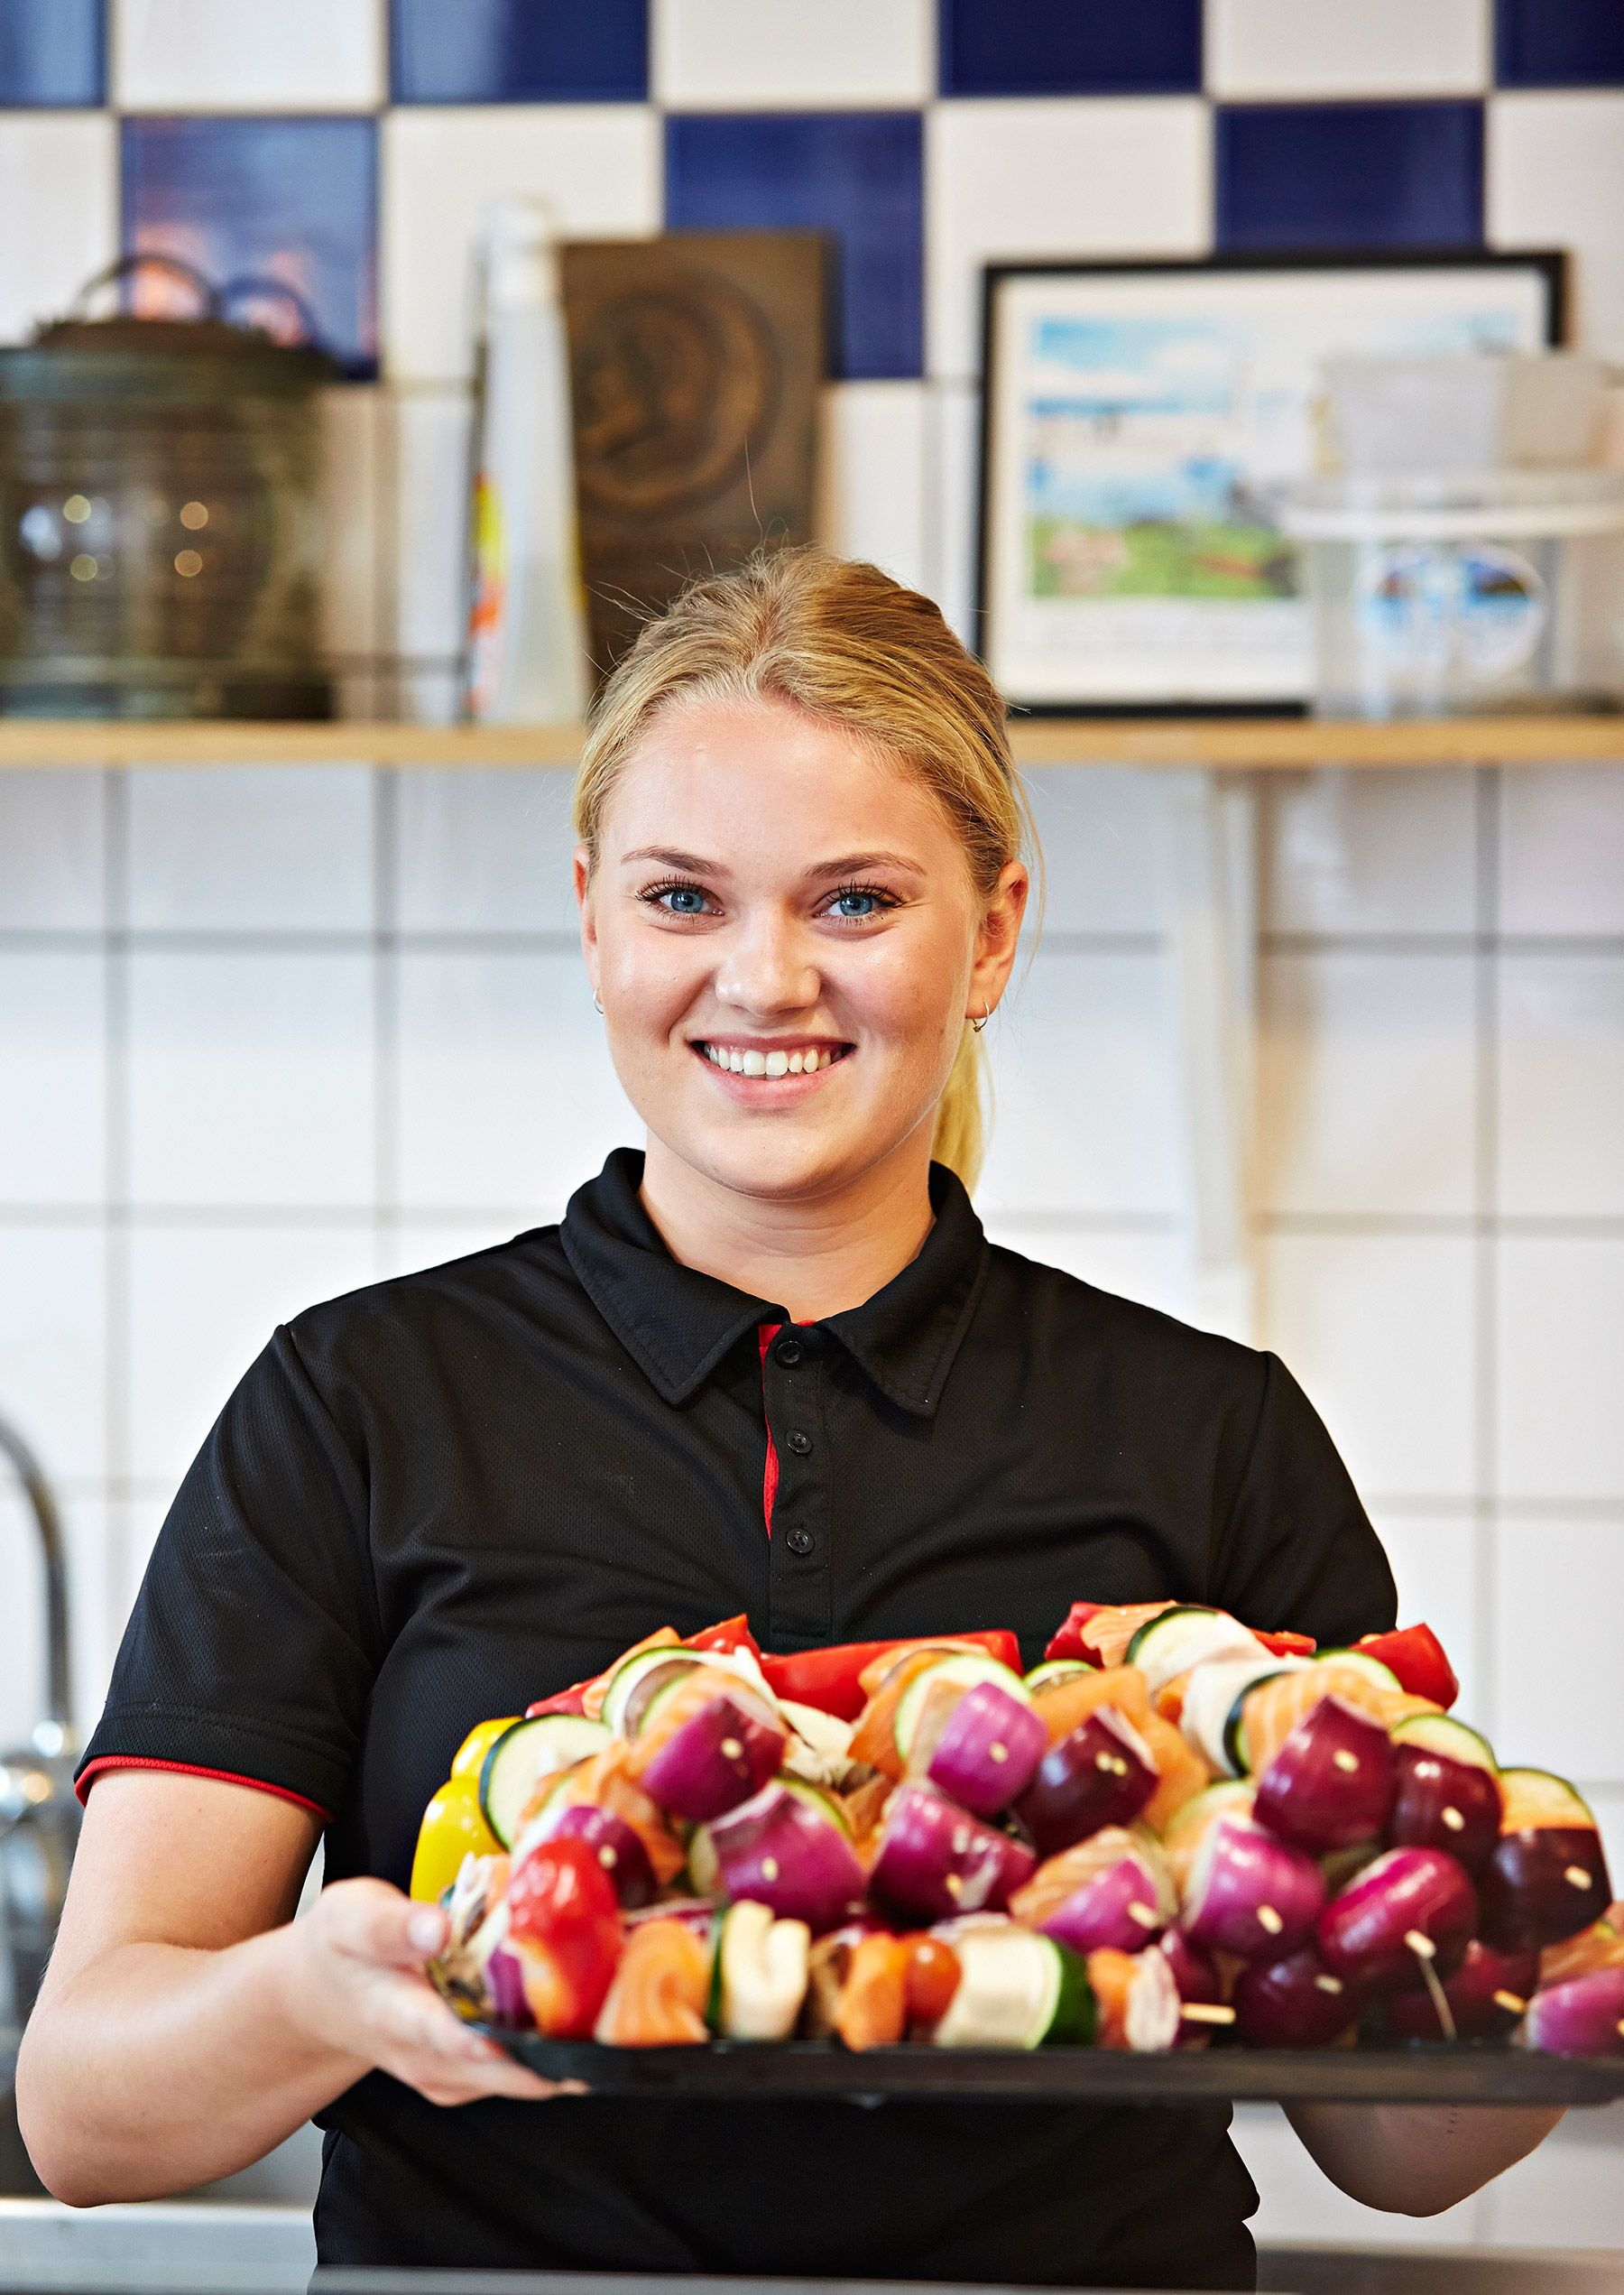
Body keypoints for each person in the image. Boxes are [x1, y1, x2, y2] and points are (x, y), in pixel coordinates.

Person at [19, 551, 1560, 2289]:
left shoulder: (1209, 1431)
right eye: (685, 899)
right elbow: (86, 2111)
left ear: (991, 934)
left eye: (851, 903)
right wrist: (322, 1991)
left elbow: (1403, 2145)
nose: (764, 980)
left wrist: (1538, 1951)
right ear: (592, 917)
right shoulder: (362, 1400)